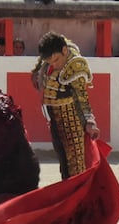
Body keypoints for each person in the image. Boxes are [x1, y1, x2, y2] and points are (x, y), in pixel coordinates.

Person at [31, 31, 100, 180]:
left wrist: (89, 122)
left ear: (64, 51)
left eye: (56, 60)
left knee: (75, 163)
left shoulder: (76, 64)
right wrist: (37, 73)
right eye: (51, 62)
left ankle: (79, 198)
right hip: (53, 114)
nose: (54, 65)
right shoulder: (54, 51)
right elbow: (41, 64)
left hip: (71, 116)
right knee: (63, 159)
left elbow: (82, 96)